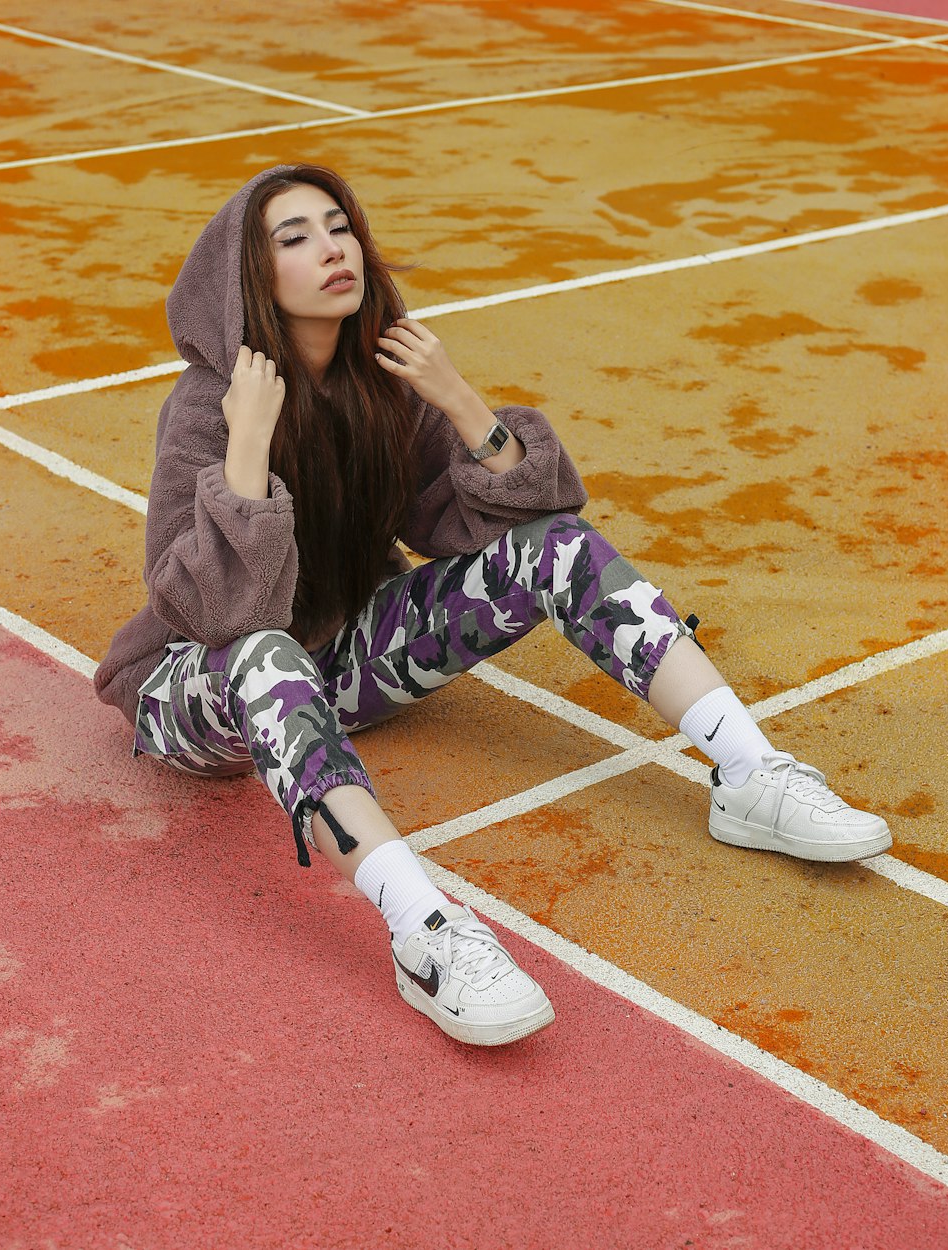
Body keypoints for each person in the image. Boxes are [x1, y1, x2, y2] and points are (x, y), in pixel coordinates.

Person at [95, 164, 891, 1048]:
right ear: (250, 278)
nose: (332, 249)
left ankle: (749, 772)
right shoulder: (210, 407)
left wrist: (459, 399)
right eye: (296, 238)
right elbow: (214, 614)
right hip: (201, 689)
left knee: (557, 549)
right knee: (264, 657)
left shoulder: (379, 381)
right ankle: (426, 933)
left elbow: (507, 521)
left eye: (339, 226)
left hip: (339, 661)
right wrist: (248, 446)